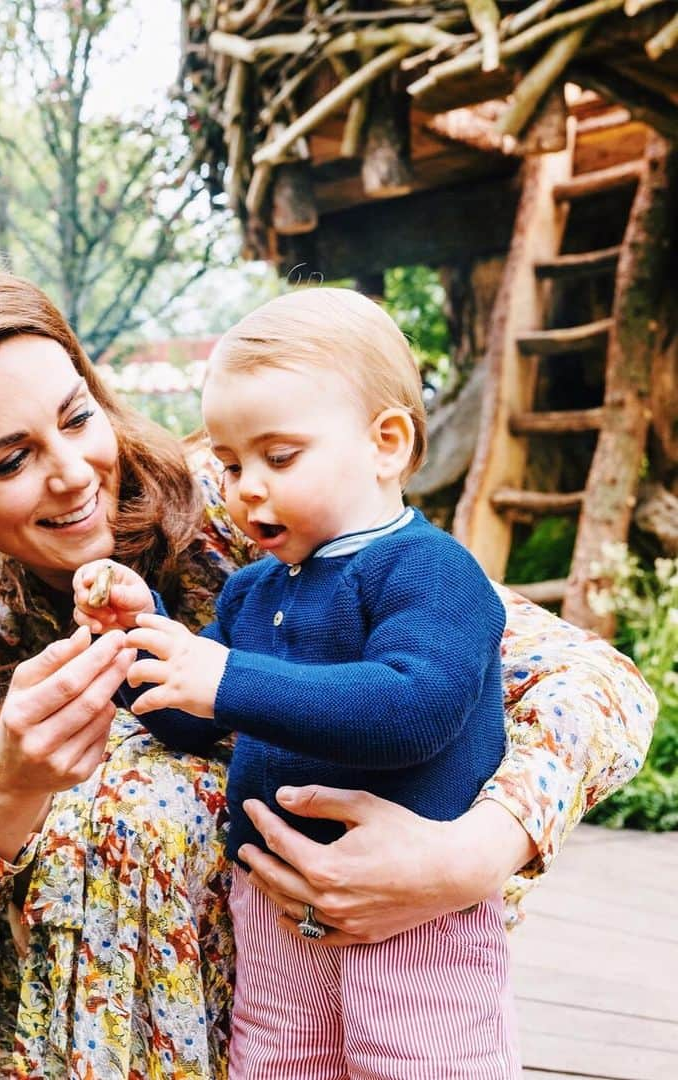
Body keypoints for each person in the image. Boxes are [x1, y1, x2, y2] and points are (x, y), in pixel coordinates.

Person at [0, 266, 656, 1080]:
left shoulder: (254, 510)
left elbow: (598, 683)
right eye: (10, 462)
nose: (73, 473)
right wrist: (4, 785)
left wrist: (473, 857)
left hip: (336, 1019)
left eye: (77, 418)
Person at [73, 288, 517, 1077]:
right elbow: (189, 718)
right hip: (274, 906)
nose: (248, 487)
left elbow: (416, 708)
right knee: (279, 1062)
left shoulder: (430, 571)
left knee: (423, 1062)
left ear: (385, 444)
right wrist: (138, 639)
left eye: (280, 458)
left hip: (412, 915)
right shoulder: (253, 591)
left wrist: (229, 679)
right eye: (232, 463)